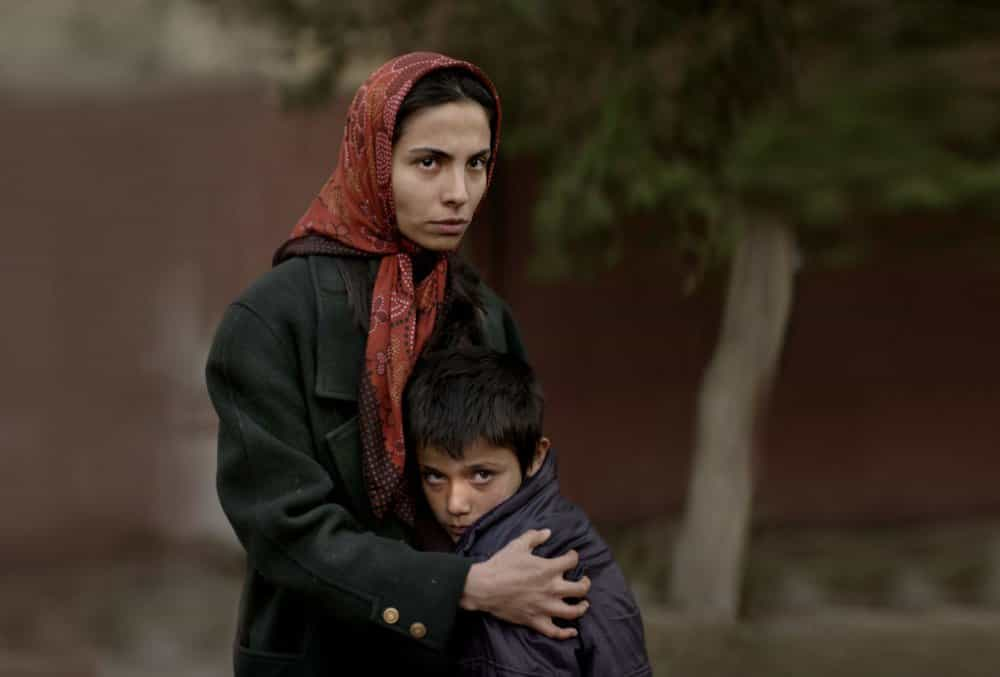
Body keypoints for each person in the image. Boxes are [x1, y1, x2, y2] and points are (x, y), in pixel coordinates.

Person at [205, 52, 590, 676]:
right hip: (319, 657)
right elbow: (284, 526)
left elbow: (526, 496)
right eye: (429, 162)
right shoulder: (270, 321)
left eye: (478, 165)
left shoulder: (485, 316)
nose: (458, 194)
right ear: (374, 162)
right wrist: (463, 586)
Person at [405, 347, 654, 676]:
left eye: (481, 475)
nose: (455, 504)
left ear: (536, 456)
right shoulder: (430, 540)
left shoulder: (556, 555)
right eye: (435, 476)